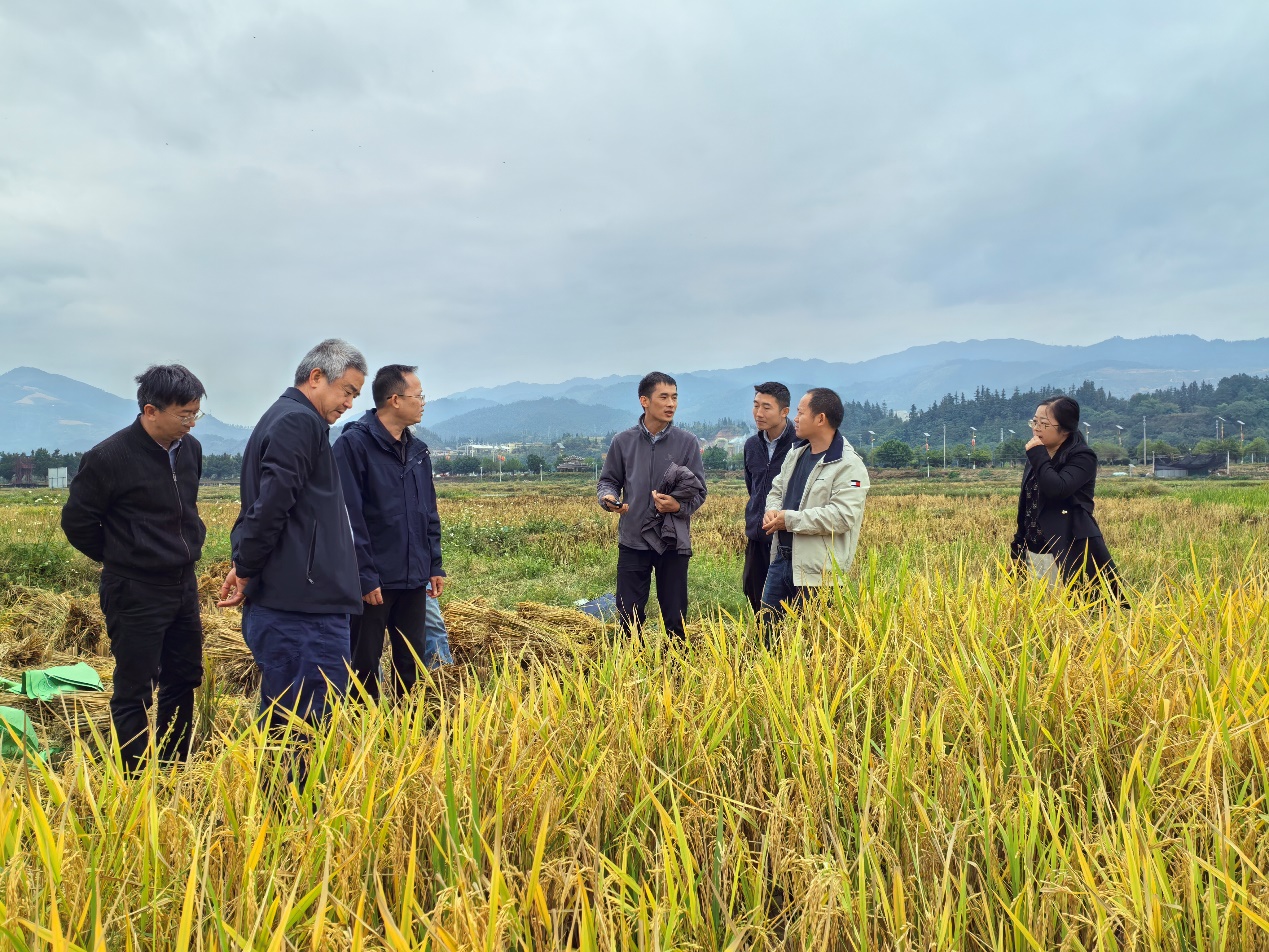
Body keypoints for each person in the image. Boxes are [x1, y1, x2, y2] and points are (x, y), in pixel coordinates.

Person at [61, 364, 208, 770]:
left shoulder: (190, 451)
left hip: (183, 583)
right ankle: (135, 778)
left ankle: (174, 766)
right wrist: (125, 557)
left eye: (195, 414)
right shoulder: (109, 457)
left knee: (184, 676)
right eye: (184, 415)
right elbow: (78, 523)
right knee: (136, 686)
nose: (191, 425)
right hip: (135, 588)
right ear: (150, 410)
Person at [218, 339, 367, 735]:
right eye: (347, 391)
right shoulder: (298, 422)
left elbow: (262, 505)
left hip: (296, 601)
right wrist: (246, 567)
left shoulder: (286, 418)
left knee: (289, 724)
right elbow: (270, 507)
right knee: (304, 729)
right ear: (317, 377)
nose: (350, 403)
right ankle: (294, 799)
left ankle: (280, 798)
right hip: (303, 609)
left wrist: (244, 565)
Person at [334, 364, 453, 702]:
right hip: (373, 582)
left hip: (413, 578)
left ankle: (405, 732)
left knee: (410, 662)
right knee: (364, 664)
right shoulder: (353, 445)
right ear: (395, 399)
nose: (424, 402)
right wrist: (364, 575)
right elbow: (347, 518)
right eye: (419, 396)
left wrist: (434, 564)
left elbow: (428, 512)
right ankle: (364, 735)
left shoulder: (418, 452)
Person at [597, 372, 707, 641]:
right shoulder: (623, 442)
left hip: (672, 541)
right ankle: (629, 671)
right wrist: (609, 499)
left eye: (675, 397)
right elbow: (608, 481)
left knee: (675, 616)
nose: (671, 404)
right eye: (664, 397)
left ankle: (676, 672)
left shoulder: (687, 442)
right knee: (628, 615)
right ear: (644, 401)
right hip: (633, 539)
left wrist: (677, 506)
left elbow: (699, 492)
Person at [761, 387, 870, 624]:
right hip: (781, 561)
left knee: (812, 645)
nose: (795, 419)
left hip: (817, 573)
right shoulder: (796, 453)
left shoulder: (849, 466)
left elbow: (842, 517)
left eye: (800, 413)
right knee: (767, 636)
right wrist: (772, 510)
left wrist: (788, 520)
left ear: (820, 418)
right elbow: (777, 489)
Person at [1010, 395, 1124, 600]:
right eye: (1034, 422)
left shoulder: (1082, 457)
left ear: (1066, 429)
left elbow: (1057, 489)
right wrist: (1018, 546)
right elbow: (1027, 505)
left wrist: (1038, 455)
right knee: (1033, 618)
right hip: (1033, 550)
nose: (1036, 428)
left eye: (1044, 424)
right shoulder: (1037, 456)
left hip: (1065, 551)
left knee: (1066, 618)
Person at [742, 382, 798, 612]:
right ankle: (761, 645)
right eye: (756, 406)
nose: (759, 413)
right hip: (757, 535)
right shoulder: (752, 445)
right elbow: (752, 488)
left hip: (787, 539)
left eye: (766, 407)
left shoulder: (801, 445)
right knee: (755, 596)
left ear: (784, 411)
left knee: (788, 604)